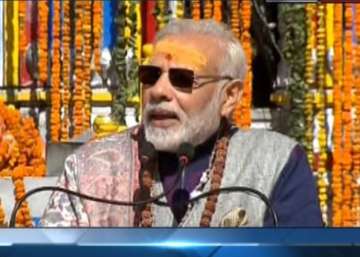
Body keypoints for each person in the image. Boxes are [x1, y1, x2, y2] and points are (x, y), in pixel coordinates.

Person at [41, 19, 322, 227]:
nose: (159, 90)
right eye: (150, 75)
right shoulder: (90, 167)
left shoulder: (276, 163)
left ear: (229, 97)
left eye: (182, 79)